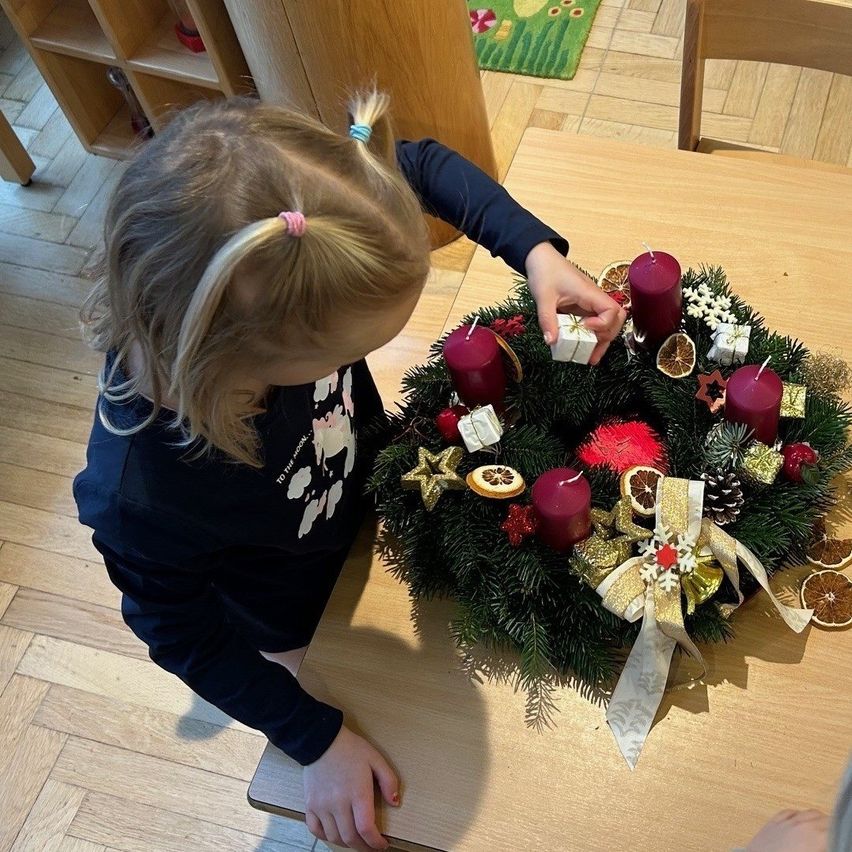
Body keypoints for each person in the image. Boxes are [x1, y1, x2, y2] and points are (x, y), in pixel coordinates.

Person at [73, 93, 625, 851]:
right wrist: (314, 738)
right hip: (298, 612)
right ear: (235, 364)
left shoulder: (305, 211)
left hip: (370, 501)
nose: (351, 365)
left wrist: (535, 251)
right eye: (341, 356)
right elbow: (179, 633)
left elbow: (420, 163)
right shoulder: (142, 497)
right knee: (403, 740)